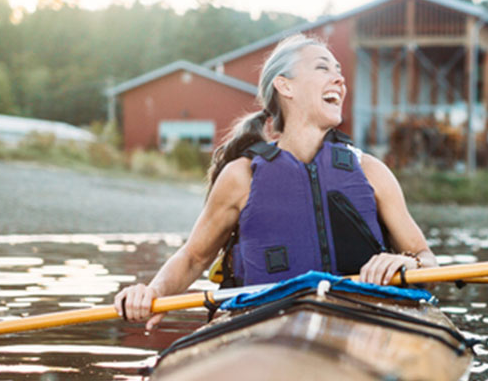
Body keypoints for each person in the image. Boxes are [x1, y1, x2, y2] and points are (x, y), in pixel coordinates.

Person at [114, 34, 437, 330]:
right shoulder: (242, 176)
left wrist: (406, 261)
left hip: (364, 321)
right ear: (285, 86)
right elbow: (193, 257)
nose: (340, 79)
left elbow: (426, 259)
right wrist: (153, 291)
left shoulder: (370, 170)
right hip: (266, 325)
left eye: (339, 70)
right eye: (323, 68)